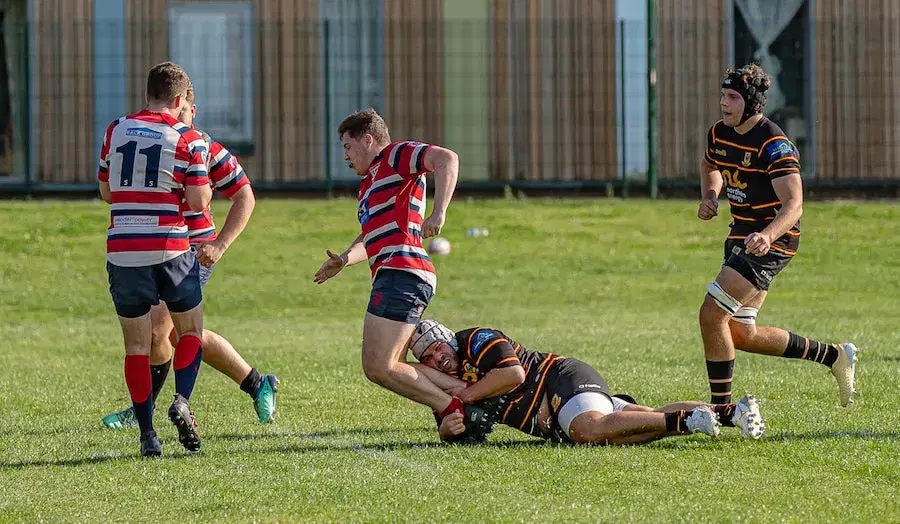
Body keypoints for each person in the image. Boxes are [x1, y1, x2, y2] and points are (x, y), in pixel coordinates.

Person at [101, 87, 278, 431]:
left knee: (160, 330)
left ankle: (143, 412)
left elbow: (244, 195)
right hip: (159, 248)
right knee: (173, 336)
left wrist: (220, 244)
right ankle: (257, 383)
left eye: (182, 111)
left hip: (191, 251)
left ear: (189, 109)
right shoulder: (149, 140)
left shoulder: (204, 147)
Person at [698, 63, 858, 407]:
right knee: (742, 333)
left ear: (752, 103)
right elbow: (710, 164)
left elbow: (794, 204)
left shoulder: (773, 143)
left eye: (732, 97)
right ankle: (834, 356)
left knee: (712, 314)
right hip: (741, 235)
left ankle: (722, 411)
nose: (723, 103)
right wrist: (710, 194)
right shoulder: (719, 133)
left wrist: (768, 236)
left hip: (773, 241)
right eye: (722, 95)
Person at [313, 109, 466, 426]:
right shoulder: (367, 186)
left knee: (380, 366)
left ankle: (454, 407)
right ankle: (462, 397)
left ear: (367, 140)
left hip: (404, 271)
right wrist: (344, 259)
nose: (345, 156)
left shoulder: (396, 155)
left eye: (348, 146)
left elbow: (447, 158)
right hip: (392, 274)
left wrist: (439, 212)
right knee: (384, 365)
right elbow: (370, 236)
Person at [408, 320, 765, 445]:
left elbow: (513, 375)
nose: (437, 359)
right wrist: (447, 429)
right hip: (558, 414)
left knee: (588, 429)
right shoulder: (443, 381)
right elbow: (449, 417)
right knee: (632, 428)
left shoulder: (476, 339)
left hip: (559, 378)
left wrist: (465, 396)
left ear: (447, 338)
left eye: (437, 348)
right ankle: (730, 412)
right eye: (428, 358)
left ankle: (687, 421)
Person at [98, 61, 210, 457]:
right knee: (190, 331)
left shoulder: (115, 129)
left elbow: (107, 193)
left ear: (147, 94)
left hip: (123, 250)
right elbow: (197, 201)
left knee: (136, 345)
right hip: (170, 249)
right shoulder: (188, 138)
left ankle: (147, 435)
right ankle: (181, 401)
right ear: (180, 100)